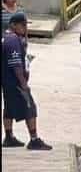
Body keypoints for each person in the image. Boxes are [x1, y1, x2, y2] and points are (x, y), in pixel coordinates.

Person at [1, 13, 52, 150]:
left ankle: (9, 136)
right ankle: (34, 139)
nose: (25, 28)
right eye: (22, 25)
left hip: (6, 82)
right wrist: (24, 84)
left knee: (9, 108)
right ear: (13, 25)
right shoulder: (12, 41)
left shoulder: (8, 38)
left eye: (25, 25)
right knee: (30, 107)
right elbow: (16, 65)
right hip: (15, 81)